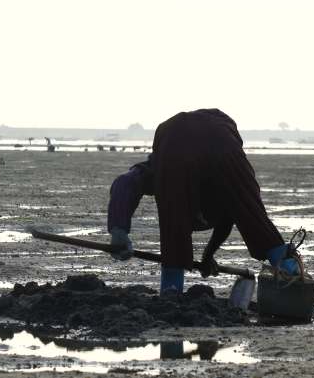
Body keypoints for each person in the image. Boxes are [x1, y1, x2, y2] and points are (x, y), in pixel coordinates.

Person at [107, 109, 300, 294]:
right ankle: (294, 277)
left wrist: (119, 229)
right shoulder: (222, 193)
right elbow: (233, 216)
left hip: (181, 138)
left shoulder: (163, 174)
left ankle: (171, 291)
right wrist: (208, 256)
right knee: (250, 211)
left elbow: (126, 182)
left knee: (175, 223)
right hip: (218, 137)